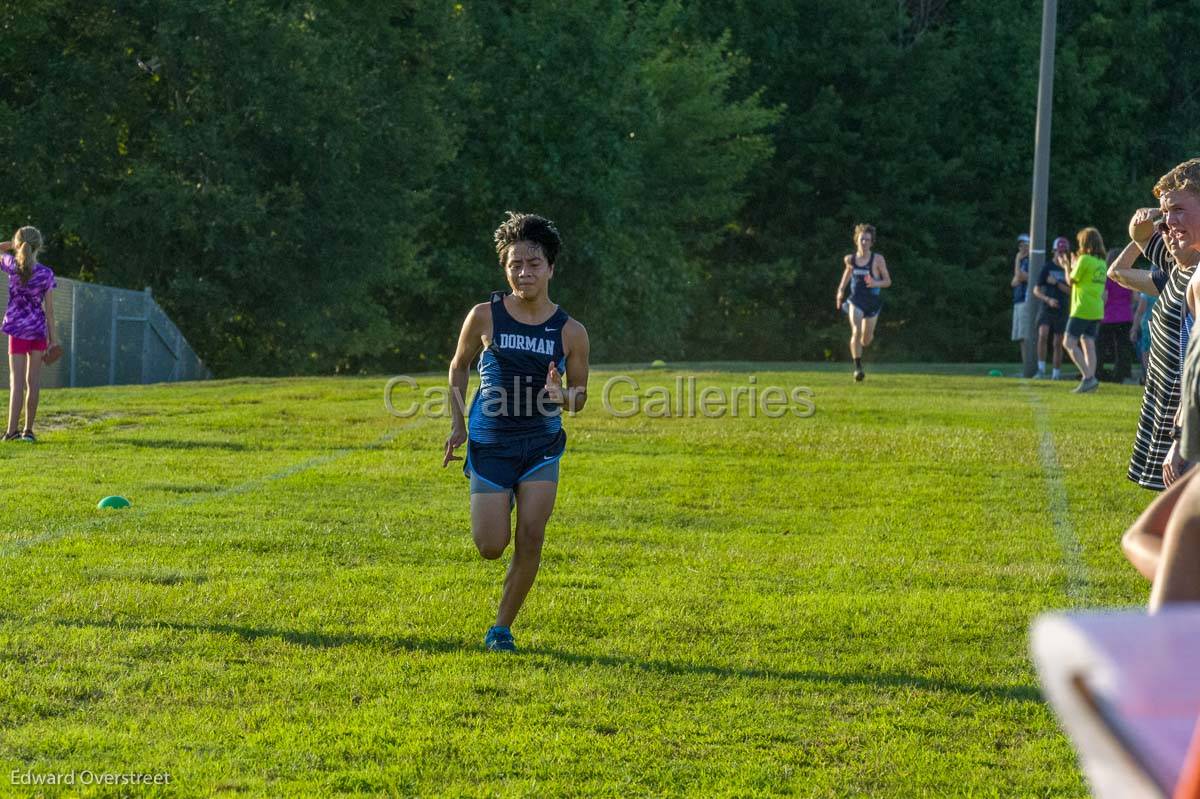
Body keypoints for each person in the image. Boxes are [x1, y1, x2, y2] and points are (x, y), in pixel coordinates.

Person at [443, 212, 590, 653]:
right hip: (490, 441)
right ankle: (498, 489)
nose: (523, 272)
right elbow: (458, 366)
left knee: (531, 534)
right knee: (491, 546)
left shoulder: (571, 331)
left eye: (533, 264)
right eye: (514, 265)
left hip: (541, 444)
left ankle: (501, 628)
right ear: (505, 268)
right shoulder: (484, 315)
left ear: (550, 268)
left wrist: (560, 394)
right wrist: (458, 425)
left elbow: (580, 397)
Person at [1, 226, 57, 442]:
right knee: (33, 382)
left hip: (16, 330)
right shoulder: (46, 273)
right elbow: (50, 312)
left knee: (16, 383)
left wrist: (12, 244)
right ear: (39, 246)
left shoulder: (11, 265)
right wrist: (54, 340)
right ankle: (28, 432)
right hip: (38, 332)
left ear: (18, 244)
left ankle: (11, 432)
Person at [834, 223, 892, 382]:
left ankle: (862, 345)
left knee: (866, 340)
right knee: (856, 331)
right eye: (862, 240)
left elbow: (887, 281)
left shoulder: (878, 260)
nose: (864, 243)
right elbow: (847, 272)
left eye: (867, 240)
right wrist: (840, 290)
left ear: (872, 242)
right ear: (856, 241)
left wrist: (875, 283)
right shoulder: (850, 259)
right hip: (855, 300)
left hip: (872, 303)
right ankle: (858, 368)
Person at [1062, 227, 1107, 393]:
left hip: (1082, 308)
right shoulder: (1101, 262)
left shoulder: (1085, 259)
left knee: (1068, 342)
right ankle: (1090, 382)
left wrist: (1067, 265)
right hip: (1096, 309)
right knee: (1088, 344)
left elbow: (1071, 280)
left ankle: (1089, 378)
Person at [1032, 236, 1071, 379]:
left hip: (1062, 307)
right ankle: (1041, 369)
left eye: (1063, 252)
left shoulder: (1069, 268)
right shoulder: (1047, 267)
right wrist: (1047, 299)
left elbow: (1072, 290)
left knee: (1058, 342)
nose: (1060, 255)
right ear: (1054, 251)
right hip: (1047, 306)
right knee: (1042, 334)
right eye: (1058, 252)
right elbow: (1036, 290)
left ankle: (1056, 374)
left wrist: (1056, 283)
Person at [1097, 249, 1136, 383]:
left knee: (1101, 347)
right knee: (1122, 348)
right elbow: (1134, 298)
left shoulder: (1108, 277)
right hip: (1125, 316)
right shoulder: (1127, 277)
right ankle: (1122, 374)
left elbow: (1104, 297)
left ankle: (1098, 371)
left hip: (1108, 317)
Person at [1010, 234, 1031, 364]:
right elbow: (1013, 282)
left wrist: (1017, 260)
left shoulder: (1031, 260)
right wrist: (1019, 276)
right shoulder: (1023, 262)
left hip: (1026, 300)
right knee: (1021, 338)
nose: (1022, 248)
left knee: (1026, 337)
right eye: (1020, 245)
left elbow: (1020, 277)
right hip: (1018, 301)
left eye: (1025, 244)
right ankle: (1026, 367)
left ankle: (1029, 366)